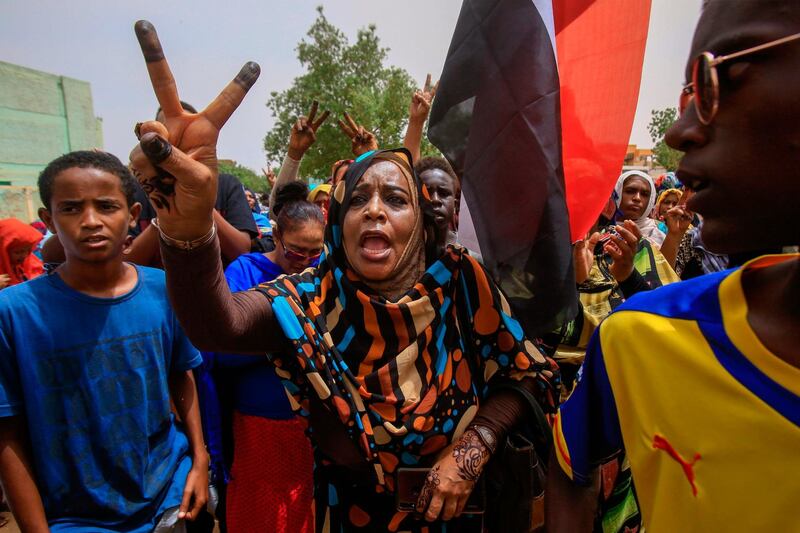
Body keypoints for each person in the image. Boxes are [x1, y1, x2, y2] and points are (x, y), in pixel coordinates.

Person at [547, 2, 800, 530]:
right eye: (687, 95)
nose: (679, 130)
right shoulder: (643, 336)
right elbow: (571, 471)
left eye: (717, 79)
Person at [0, 150, 207, 531]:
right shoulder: (13, 313)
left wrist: (199, 459)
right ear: (49, 220)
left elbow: (182, 374)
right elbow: (6, 432)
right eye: (72, 208)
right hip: (74, 516)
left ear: (131, 216)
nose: (91, 221)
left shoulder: (164, 290)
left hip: (168, 497)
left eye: (106, 206)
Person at [198, 181, 323, 532]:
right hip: (257, 423)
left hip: (310, 424)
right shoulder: (245, 272)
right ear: (277, 236)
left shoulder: (322, 273)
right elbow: (221, 351)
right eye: (296, 252)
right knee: (261, 511)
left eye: (315, 253)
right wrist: (291, 339)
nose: (304, 263)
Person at [415, 156, 460, 246]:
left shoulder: (474, 255)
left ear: (455, 204)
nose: (435, 199)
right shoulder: (402, 254)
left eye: (443, 193)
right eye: (426, 192)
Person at [613, 170, 665, 247]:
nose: (637, 198)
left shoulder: (660, 230)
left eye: (644, 194)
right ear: (618, 192)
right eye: (630, 191)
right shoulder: (599, 229)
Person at [0, 218, 44, 289]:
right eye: (18, 252)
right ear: (3, 251)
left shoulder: (31, 263)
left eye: (28, 250)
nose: (24, 255)